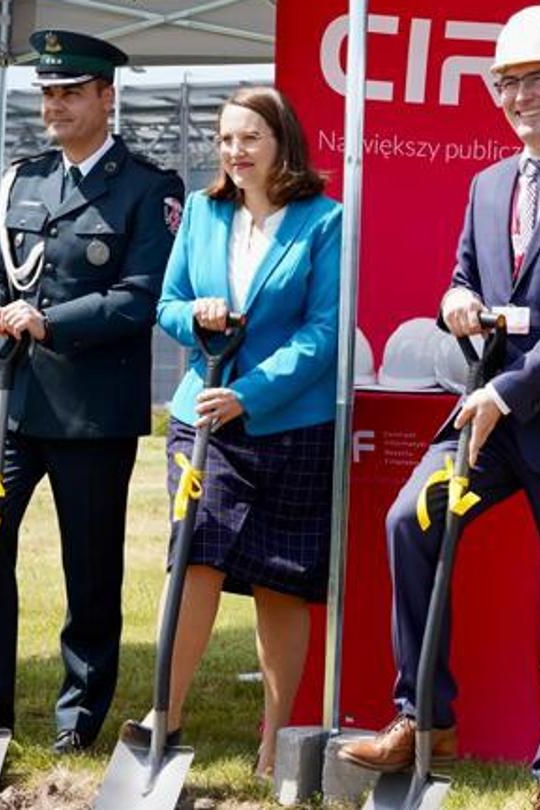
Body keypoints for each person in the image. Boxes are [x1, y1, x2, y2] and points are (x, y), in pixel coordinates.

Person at [337, 7, 540, 810]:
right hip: (489, 423)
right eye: (508, 82)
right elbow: (465, 275)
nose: (523, 96)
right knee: (411, 522)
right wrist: (456, 300)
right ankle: (425, 714)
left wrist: (507, 390)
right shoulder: (486, 185)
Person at [0, 29, 184, 754]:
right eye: (47, 93)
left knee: (89, 566)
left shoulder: (148, 187)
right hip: (13, 402)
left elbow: (140, 298)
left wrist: (48, 320)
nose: (56, 106)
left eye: (71, 93)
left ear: (107, 96)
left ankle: (78, 714)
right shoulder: (22, 178)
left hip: (93, 411)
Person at [139, 86, 340, 778]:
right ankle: (163, 718)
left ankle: (274, 742)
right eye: (226, 138)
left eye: (250, 137)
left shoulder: (325, 221)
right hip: (202, 422)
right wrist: (197, 316)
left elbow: (324, 334)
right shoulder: (200, 211)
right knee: (193, 558)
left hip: (290, 425)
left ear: (282, 142)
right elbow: (166, 304)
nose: (235, 151)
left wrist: (248, 395)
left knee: (281, 583)